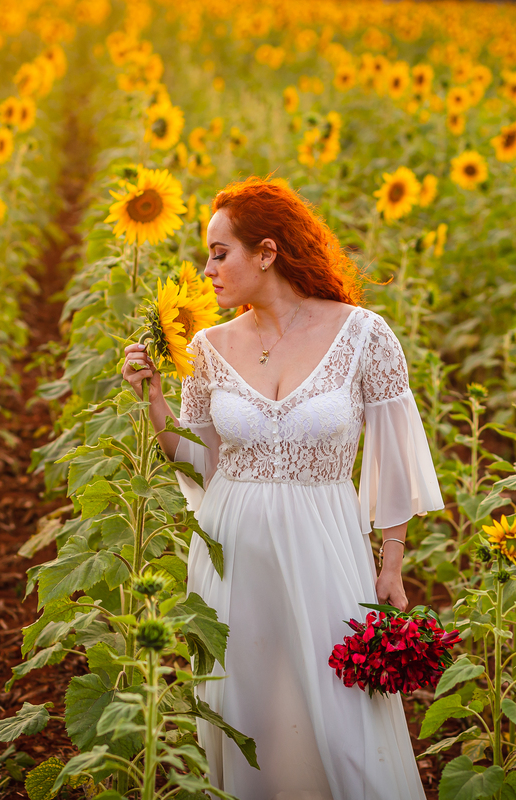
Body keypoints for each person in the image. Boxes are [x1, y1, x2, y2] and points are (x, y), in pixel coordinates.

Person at [120, 176, 443, 800]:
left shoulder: (363, 336)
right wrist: (156, 401)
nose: (207, 270)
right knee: (250, 714)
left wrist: (392, 563)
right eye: (207, 255)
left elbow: (395, 456)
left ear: (266, 253)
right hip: (230, 550)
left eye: (220, 253)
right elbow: (199, 465)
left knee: (342, 719)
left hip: (326, 543)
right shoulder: (208, 349)